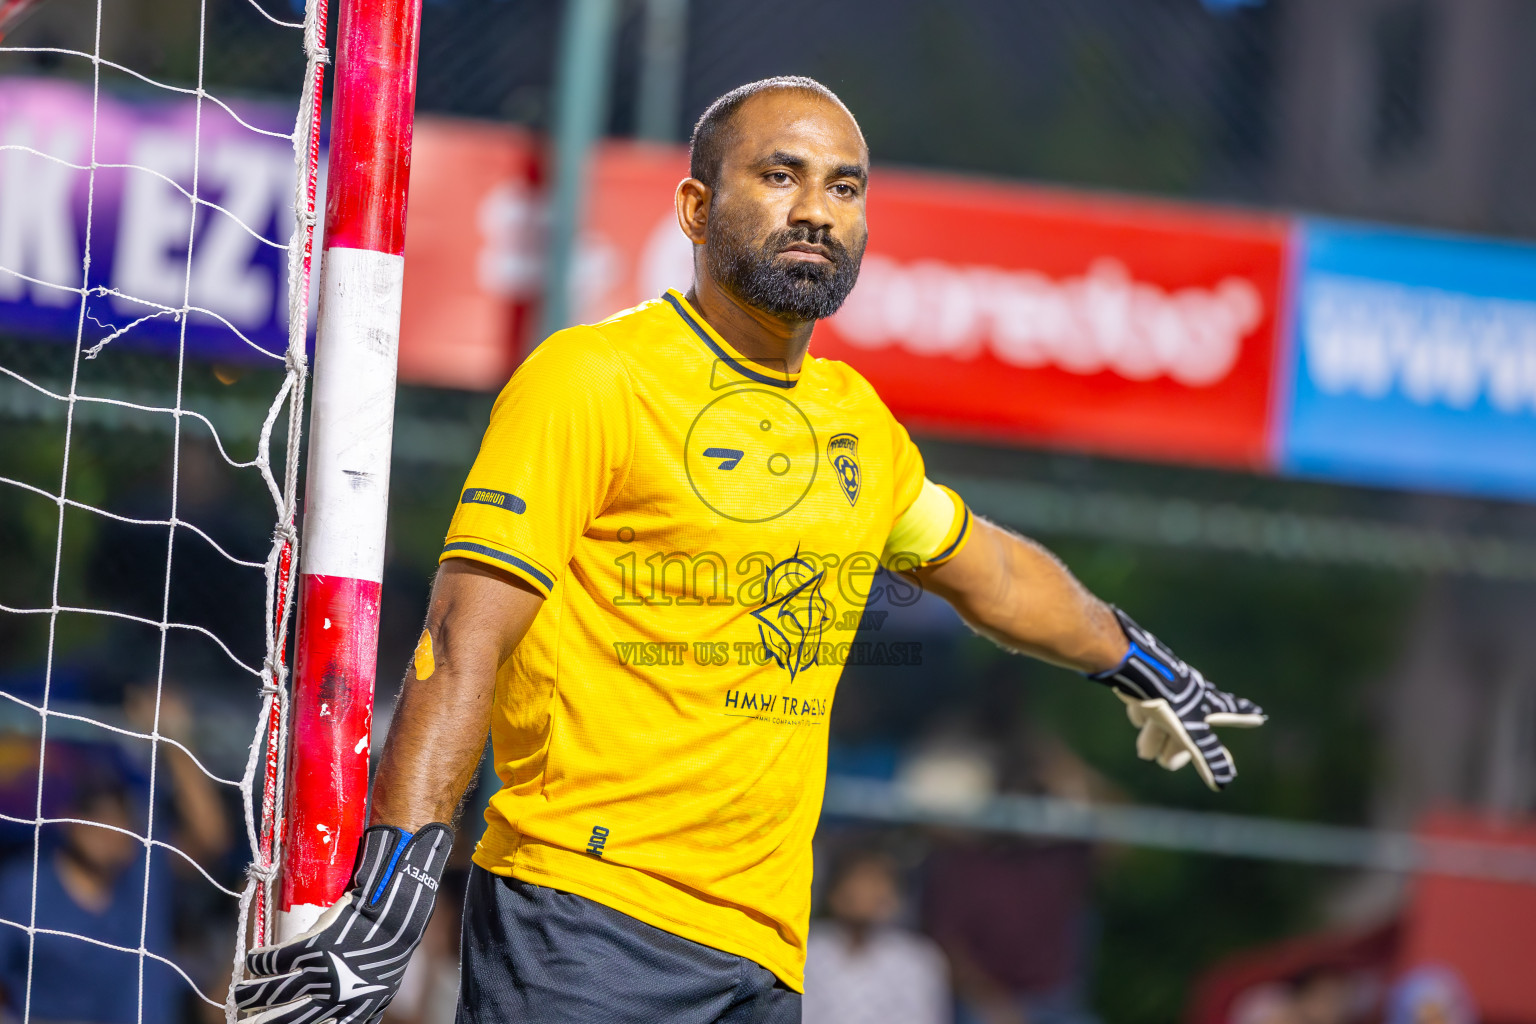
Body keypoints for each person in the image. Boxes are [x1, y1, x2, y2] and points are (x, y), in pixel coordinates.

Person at [236, 75, 1265, 1024]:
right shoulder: (593, 378)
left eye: (844, 186)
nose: (817, 207)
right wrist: (389, 903)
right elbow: (462, 642)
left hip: (764, 949)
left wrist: (1128, 653)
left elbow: (987, 569)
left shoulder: (856, 421)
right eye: (781, 175)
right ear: (694, 209)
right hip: (585, 921)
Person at [0, 688, 232, 1023]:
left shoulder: (144, 872)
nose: (108, 827)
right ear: (68, 820)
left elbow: (210, 838)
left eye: (119, 814)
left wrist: (176, 741)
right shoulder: (23, 889)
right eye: (95, 812)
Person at [803, 848, 948, 1024]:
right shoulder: (807, 948)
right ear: (834, 894)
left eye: (879, 882)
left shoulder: (918, 958)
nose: (869, 892)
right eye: (860, 881)